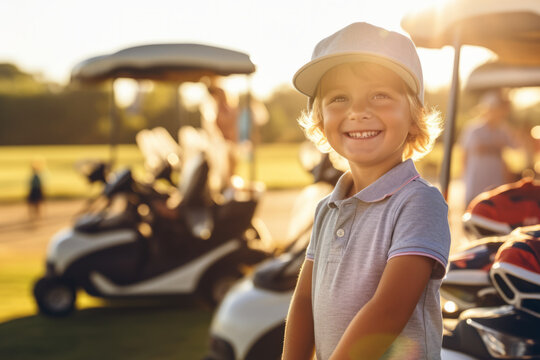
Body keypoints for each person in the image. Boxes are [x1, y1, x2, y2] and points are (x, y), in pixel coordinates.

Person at [281, 22, 451, 360]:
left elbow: (387, 312)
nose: (358, 111)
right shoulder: (327, 208)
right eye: (339, 98)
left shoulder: (418, 202)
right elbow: (304, 301)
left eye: (380, 95)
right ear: (320, 119)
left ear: (414, 115)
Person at [461, 90, 519, 206]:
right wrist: (464, 176)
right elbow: (465, 154)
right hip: (476, 180)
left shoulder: (504, 130)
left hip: (495, 182)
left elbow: (516, 146)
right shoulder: (473, 129)